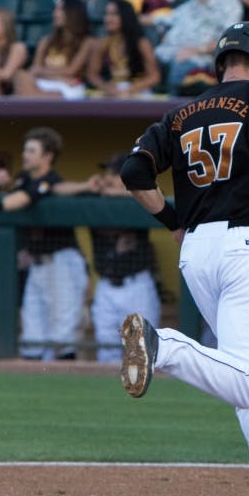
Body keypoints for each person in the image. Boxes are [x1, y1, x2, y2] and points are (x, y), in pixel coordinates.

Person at [117, 21, 249, 496]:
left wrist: (171, 220)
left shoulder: (182, 110)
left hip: (198, 248)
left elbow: (134, 171)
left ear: (221, 62)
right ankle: (165, 347)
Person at [0, 127, 95, 361]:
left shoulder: (50, 180)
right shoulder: (24, 180)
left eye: (31, 150)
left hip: (63, 263)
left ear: (47, 156)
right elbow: (16, 193)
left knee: (64, 338)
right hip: (37, 265)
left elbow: (26, 197)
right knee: (32, 334)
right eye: (25, 150)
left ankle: (66, 393)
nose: (25, 155)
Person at [89, 152, 161, 363]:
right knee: (106, 351)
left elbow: (160, 195)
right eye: (108, 173)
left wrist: (118, 193)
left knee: (143, 351)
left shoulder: (140, 198)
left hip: (136, 285)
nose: (108, 178)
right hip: (106, 286)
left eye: (115, 174)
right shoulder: (95, 199)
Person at [154, 0, 242, 94]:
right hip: (168, 55)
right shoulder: (192, 4)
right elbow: (162, 20)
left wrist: (196, 50)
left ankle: (170, 109)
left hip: (201, 59)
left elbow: (229, 40)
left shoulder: (228, 3)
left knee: (181, 64)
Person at [13, 0, 94, 98]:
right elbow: (34, 69)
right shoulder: (46, 41)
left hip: (69, 86)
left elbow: (71, 71)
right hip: (47, 82)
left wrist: (43, 71)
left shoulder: (87, 42)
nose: (55, 14)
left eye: (60, 10)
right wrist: (59, 77)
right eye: (55, 9)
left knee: (29, 94)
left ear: (73, 13)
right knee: (20, 76)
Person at [86, 0, 161, 96]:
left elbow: (154, 76)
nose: (108, 18)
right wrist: (108, 88)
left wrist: (129, 90)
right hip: (112, 90)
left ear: (126, 16)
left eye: (114, 14)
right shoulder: (101, 43)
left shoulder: (142, 43)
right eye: (106, 14)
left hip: (138, 90)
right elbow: (92, 75)